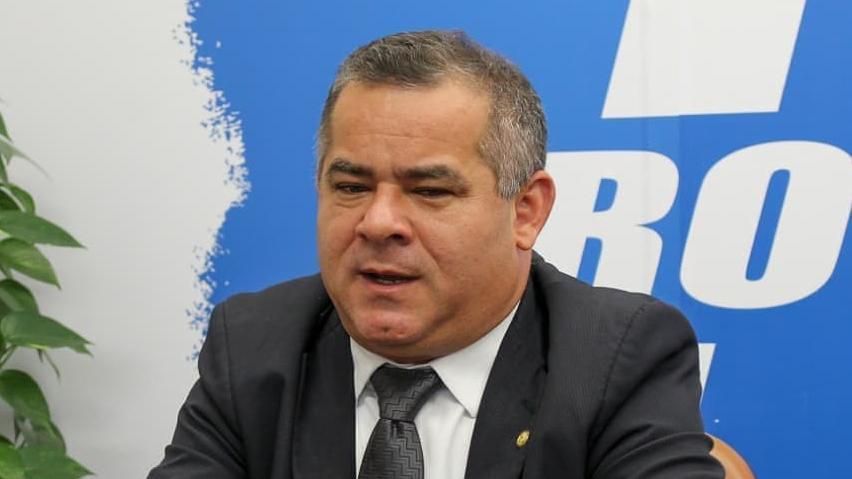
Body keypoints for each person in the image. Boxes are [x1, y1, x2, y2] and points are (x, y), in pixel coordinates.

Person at [149, 30, 723, 478]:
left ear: (526, 211)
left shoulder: (614, 360)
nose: (378, 223)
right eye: (350, 186)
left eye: (429, 191)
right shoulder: (254, 346)